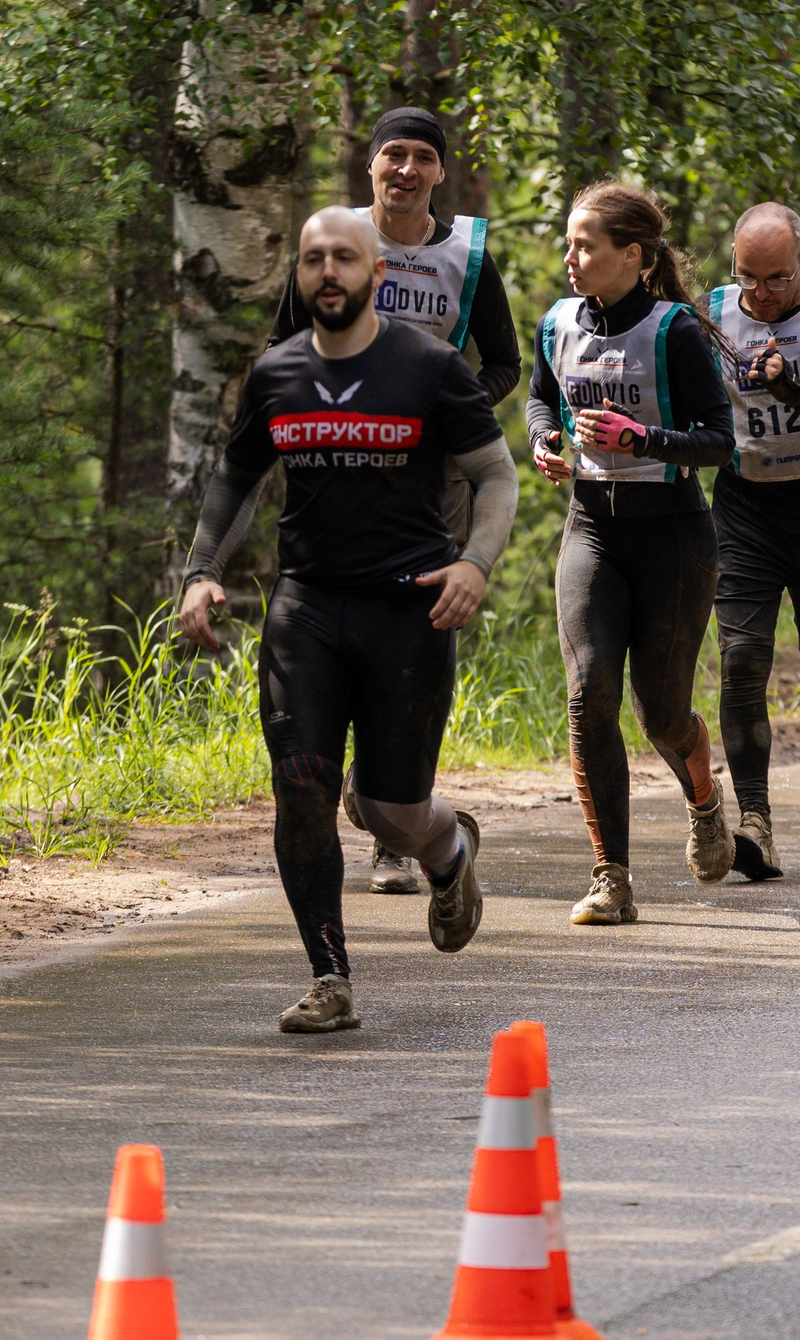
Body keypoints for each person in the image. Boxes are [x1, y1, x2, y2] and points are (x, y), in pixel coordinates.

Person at [176, 208, 519, 1034]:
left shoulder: (429, 368)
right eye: (312, 260)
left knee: (390, 809)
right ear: (299, 276)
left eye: (344, 259)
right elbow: (237, 480)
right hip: (309, 610)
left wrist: (474, 564)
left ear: (374, 272)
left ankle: (448, 851)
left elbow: (496, 477)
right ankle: (331, 977)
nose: (327, 272)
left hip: (409, 608)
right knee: (301, 791)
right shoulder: (277, 375)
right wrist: (200, 573)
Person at [267, 106, 522, 898]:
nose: (405, 171)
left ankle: (392, 828)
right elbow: (282, 348)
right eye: (392, 156)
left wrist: (441, 415)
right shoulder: (335, 247)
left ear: (440, 173)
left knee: (409, 643)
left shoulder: (467, 255)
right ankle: (381, 807)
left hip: (431, 483)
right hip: (337, 476)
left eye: (421, 158)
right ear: (370, 167)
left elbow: (505, 364)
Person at [527, 183, 738, 926]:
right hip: (591, 531)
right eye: (568, 242)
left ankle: (704, 799)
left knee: (660, 714)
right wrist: (544, 443)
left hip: (674, 537)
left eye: (586, 245)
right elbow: (539, 400)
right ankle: (610, 876)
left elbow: (720, 442)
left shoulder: (674, 331)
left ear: (633, 256)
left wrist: (640, 438)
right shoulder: (556, 323)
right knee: (588, 699)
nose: (571, 257)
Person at [706, 202, 800, 879]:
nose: (761, 295)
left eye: (775, 278)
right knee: (742, 659)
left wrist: (792, 388)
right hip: (745, 506)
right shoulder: (714, 315)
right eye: (748, 278)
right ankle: (754, 821)